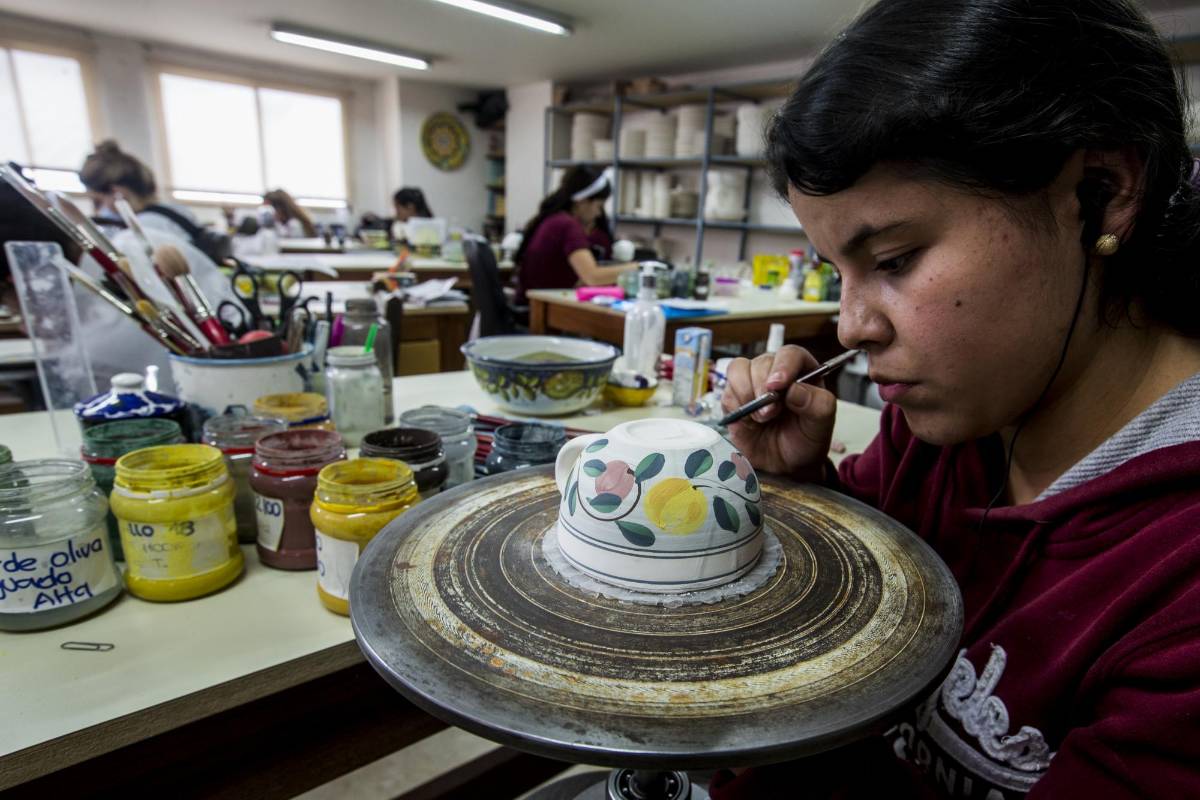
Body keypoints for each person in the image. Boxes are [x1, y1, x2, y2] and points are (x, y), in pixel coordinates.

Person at [712, 1, 1200, 798]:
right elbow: (850, 618)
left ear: (1102, 191)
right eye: (839, 271)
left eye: (896, 259)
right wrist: (804, 496)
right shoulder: (941, 427)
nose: (853, 327)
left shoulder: (1179, 581)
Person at [514, 166, 635, 302]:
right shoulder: (566, 225)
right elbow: (593, 276)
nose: (599, 213)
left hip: (536, 304)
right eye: (599, 206)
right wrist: (639, 268)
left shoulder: (554, 219)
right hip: (538, 309)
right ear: (582, 201)